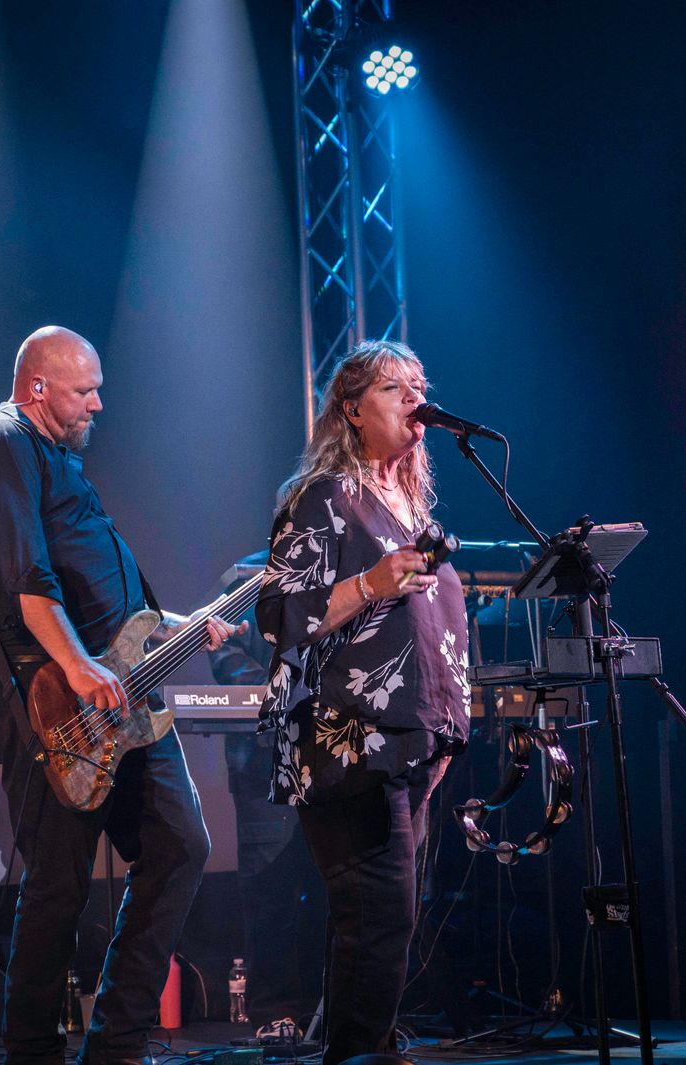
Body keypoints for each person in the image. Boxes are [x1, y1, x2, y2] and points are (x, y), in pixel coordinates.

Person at [0, 325, 238, 1065]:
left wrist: (181, 625)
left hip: (120, 692)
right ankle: (31, 1054)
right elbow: (27, 577)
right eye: (85, 391)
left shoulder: (59, 460)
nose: (98, 405)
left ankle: (117, 1043)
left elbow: (115, 605)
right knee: (58, 885)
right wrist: (77, 666)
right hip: (49, 698)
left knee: (181, 844)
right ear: (37, 387)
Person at [256, 340, 471, 1064]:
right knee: (377, 917)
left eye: (418, 384)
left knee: (387, 920)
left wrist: (444, 731)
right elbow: (278, 613)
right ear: (351, 409)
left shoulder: (410, 510)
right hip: (347, 737)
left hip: (409, 739)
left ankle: (367, 1050)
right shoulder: (324, 498)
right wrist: (374, 583)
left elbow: (438, 634)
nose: (415, 398)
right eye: (393, 388)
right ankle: (358, 1056)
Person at [207, 553, 326, 1037]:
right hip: (263, 762)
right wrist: (280, 693)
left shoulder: (342, 570)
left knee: (331, 890)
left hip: (330, 759)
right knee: (269, 891)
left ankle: (322, 1010)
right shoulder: (245, 576)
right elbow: (222, 649)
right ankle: (274, 1012)